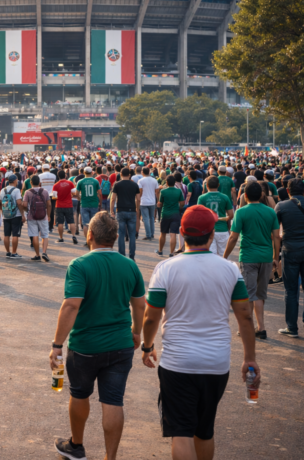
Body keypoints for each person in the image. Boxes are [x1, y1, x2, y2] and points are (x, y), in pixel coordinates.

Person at [141, 205, 260, 460]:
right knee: (204, 431)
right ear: (211, 235)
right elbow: (245, 317)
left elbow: (151, 317)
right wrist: (250, 358)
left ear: (182, 233)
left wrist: (147, 346)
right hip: (216, 363)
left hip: (178, 362)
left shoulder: (166, 268)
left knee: (181, 432)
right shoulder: (230, 269)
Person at [49, 212, 145, 460]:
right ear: (116, 237)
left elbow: (71, 306)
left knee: (80, 393)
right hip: (121, 344)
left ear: (89, 234)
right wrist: (137, 333)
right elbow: (140, 305)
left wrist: (57, 344)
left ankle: (77, 446)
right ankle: (110, 457)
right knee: (114, 400)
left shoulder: (80, 265)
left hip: (86, 346)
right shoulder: (130, 265)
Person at [223, 181, 280, 340]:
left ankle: (247, 327)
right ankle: (261, 328)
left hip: (248, 257)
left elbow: (233, 237)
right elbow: (276, 236)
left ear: (245, 195)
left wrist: (224, 257)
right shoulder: (270, 212)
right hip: (266, 256)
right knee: (260, 294)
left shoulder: (241, 212)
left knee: (248, 293)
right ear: (262, 195)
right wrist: (276, 258)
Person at [274, 178, 304, 338]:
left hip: (290, 250)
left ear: (287, 191)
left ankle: (292, 328)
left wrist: (275, 255)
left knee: (291, 290)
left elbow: (276, 233)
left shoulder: (281, 206)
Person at [196, 176, 233, 256]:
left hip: (208, 230)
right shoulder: (225, 197)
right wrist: (223, 218)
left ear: (207, 185)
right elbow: (231, 215)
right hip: (222, 230)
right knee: (224, 256)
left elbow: (199, 216)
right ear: (218, 185)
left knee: (211, 256)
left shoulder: (202, 198)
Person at [110, 167, 141, 260]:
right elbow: (138, 199)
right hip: (131, 210)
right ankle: (132, 256)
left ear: (121, 174)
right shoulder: (135, 185)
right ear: (130, 175)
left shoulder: (117, 184)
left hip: (120, 210)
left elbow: (113, 198)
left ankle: (122, 256)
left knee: (121, 233)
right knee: (132, 235)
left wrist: (111, 210)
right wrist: (137, 209)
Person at [24, 175, 51, 262]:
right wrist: (49, 215)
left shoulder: (27, 192)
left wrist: (27, 210)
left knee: (34, 235)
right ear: (40, 183)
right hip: (43, 216)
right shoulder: (45, 191)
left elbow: (24, 205)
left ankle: (37, 254)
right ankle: (44, 252)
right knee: (45, 235)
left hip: (32, 216)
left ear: (31, 182)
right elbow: (49, 204)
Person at [156, 175, 184, 257]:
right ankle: (171, 253)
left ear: (167, 183)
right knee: (173, 234)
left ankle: (160, 251)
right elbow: (182, 203)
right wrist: (180, 208)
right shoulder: (179, 191)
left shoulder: (163, 191)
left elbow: (160, 203)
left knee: (163, 233)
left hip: (165, 214)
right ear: (175, 182)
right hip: (175, 214)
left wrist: (159, 204)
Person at [0, 174, 25, 259]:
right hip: (15, 215)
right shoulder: (17, 190)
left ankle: (8, 252)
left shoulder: (3, 190)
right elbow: (19, 203)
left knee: (6, 234)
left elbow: (0, 202)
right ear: (14, 181)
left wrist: (3, 212)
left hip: (6, 215)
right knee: (15, 234)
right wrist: (22, 214)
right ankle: (14, 253)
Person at [75, 167, 102, 238]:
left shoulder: (80, 181)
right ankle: (94, 240)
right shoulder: (95, 181)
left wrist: (80, 198)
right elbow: (100, 194)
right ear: (91, 172)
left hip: (84, 204)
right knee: (94, 223)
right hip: (94, 204)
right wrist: (100, 203)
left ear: (84, 172)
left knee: (85, 224)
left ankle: (87, 241)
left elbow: (76, 193)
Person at [53, 170, 78, 244]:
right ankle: (73, 236)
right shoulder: (70, 183)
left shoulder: (56, 185)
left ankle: (61, 237)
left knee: (60, 222)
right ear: (65, 175)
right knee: (71, 221)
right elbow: (74, 193)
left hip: (59, 205)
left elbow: (54, 197)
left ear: (58, 176)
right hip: (69, 204)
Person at [137, 166, 159, 240]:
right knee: (152, 218)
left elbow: (140, 191)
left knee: (145, 218)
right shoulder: (154, 180)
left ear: (142, 172)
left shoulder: (140, 181)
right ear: (149, 172)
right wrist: (158, 200)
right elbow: (157, 192)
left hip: (143, 202)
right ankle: (152, 234)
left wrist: (138, 200)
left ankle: (148, 234)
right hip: (152, 201)